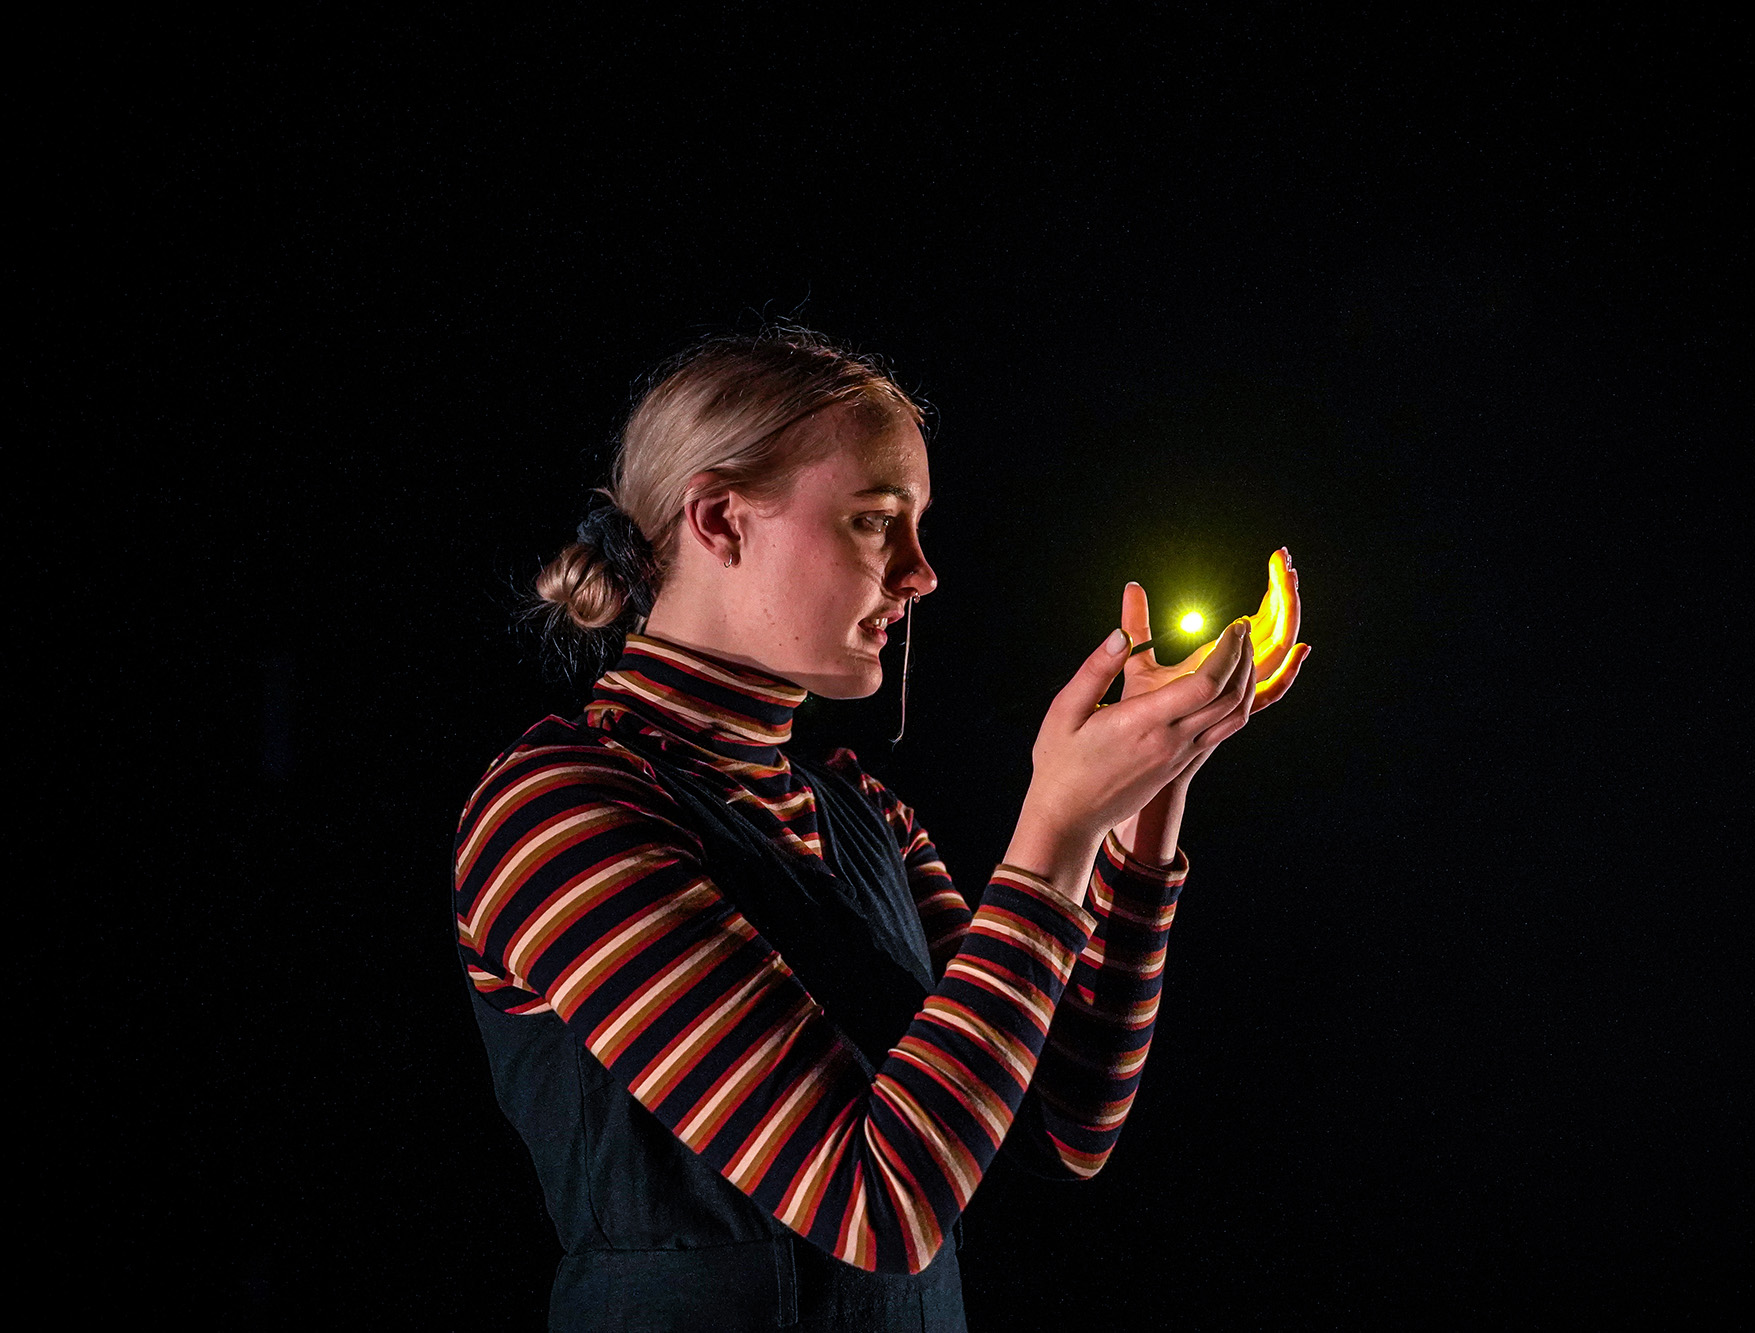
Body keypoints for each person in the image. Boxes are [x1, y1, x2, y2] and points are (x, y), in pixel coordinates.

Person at [454, 328, 1308, 1331]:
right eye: (875, 521)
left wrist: (1145, 800)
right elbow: (881, 1203)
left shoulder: (866, 813)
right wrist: (1057, 826)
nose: (921, 573)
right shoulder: (558, 813)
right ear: (721, 520)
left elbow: (1058, 1126)